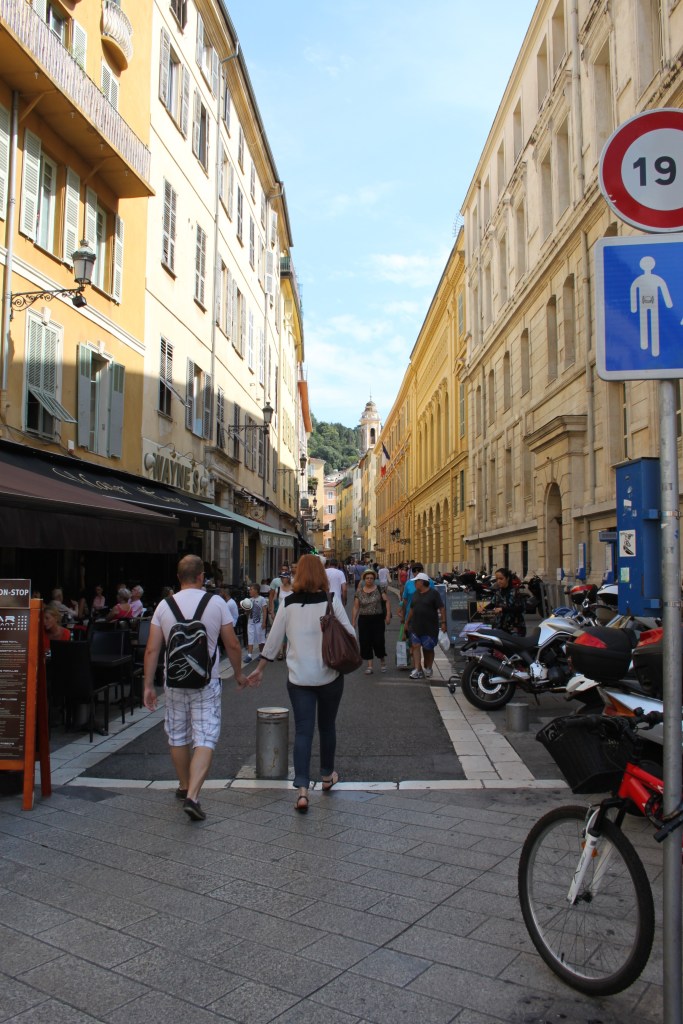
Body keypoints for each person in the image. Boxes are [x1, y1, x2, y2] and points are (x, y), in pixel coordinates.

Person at [143, 554, 254, 821]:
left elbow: (152, 649)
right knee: (205, 736)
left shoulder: (163, 606)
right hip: (207, 682)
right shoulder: (216, 603)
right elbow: (233, 644)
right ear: (202, 577)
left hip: (174, 681)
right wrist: (239, 674)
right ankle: (193, 795)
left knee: (178, 734)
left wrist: (148, 685)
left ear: (178, 577)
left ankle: (183, 785)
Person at [246, 553, 354, 813]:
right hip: (329, 676)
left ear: (298, 575)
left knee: (304, 731)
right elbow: (350, 633)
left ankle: (303, 790)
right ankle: (327, 776)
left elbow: (274, 639)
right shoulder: (331, 600)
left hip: (299, 679)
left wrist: (260, 668)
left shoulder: (289, 602)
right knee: (327, 727)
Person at [405, 573, 446, 680]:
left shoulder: (434, 594)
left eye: (416, 581)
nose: (414, 583)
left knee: (428, 649)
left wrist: (443, 623)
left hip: (429, 627)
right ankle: (417, 670)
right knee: (415, 646)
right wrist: (406, 622)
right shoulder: (415, 594)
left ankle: (429, 667)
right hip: (415, 626)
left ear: (422, 582)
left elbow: (441, 608)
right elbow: (412, 609)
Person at [352, 568, 391, 674]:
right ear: (364, 579)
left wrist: (387, 615)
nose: (369, 580)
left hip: (377, 619)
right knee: (365, 642)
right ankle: (370, 666)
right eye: (367, 578)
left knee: (378, 641)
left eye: (371, 578)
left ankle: (382, 662)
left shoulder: (379, 589)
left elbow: (387, 602)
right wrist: (353, 621)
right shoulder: (359, 592)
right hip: (364, 620)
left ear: (374, 579)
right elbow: (356, 607)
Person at [488, 567, 526, 635]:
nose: (498, 581)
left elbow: (520, 609)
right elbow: (492, 604)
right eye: (497, 579)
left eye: (501, 579)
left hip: (514, 628)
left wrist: (502, 609)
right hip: (500, 627)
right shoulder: (498, 592)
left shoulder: (515, 592)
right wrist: (480, 609)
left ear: (507, 578)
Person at [244, 583, 268, 663]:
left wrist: (264, 622)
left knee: (260, 638)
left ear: (256, 590)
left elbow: (264, 611)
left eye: (251, 589)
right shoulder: (249, 600)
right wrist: (247, 610)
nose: (249, 591)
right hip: (250, 622)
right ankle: (249, 655)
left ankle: (262, 653)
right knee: (250, 638)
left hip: (259, 622)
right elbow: (247, 613)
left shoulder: (262, 599)